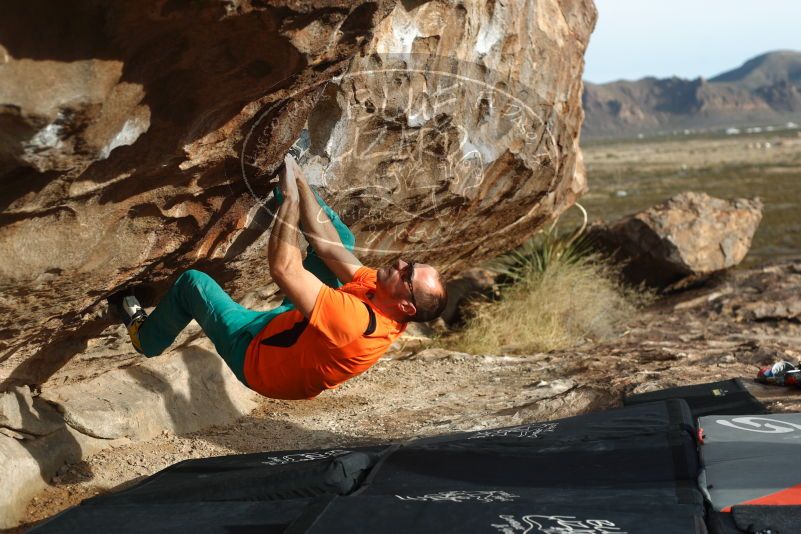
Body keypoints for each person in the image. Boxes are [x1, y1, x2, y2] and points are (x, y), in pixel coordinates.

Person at [113, 154, 448, 400]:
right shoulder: (381, 291)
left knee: (193, 285)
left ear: (405, 306)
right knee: (342, 241)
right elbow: (331, 250)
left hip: (258, 357)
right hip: (293, 329)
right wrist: (298, 180)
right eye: (410, 263)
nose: (402, 262)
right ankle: (283, 178)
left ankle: (146, 338)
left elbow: (285, 269)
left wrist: (290, 201)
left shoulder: (356, 323)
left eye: (408, 274)